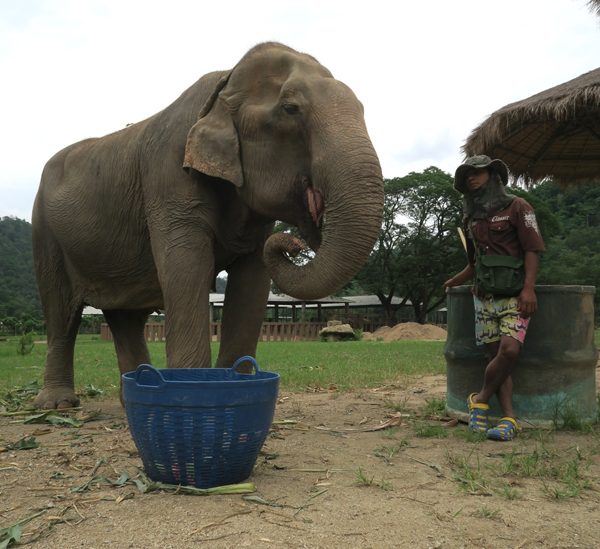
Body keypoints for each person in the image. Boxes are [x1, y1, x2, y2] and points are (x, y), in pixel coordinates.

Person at [444, 155, 545, 441]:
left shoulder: (518, 207)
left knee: (509, 351)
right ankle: (509, 418)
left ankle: (479, 398)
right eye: (467, 176)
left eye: (477, 173)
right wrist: (455, 280)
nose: (471, 179)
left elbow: (532, 250)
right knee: (496, 359)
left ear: (493, 175)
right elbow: (474, 263)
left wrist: (529, 288)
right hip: (484, 299)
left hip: (514, 296)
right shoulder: (471, 218)